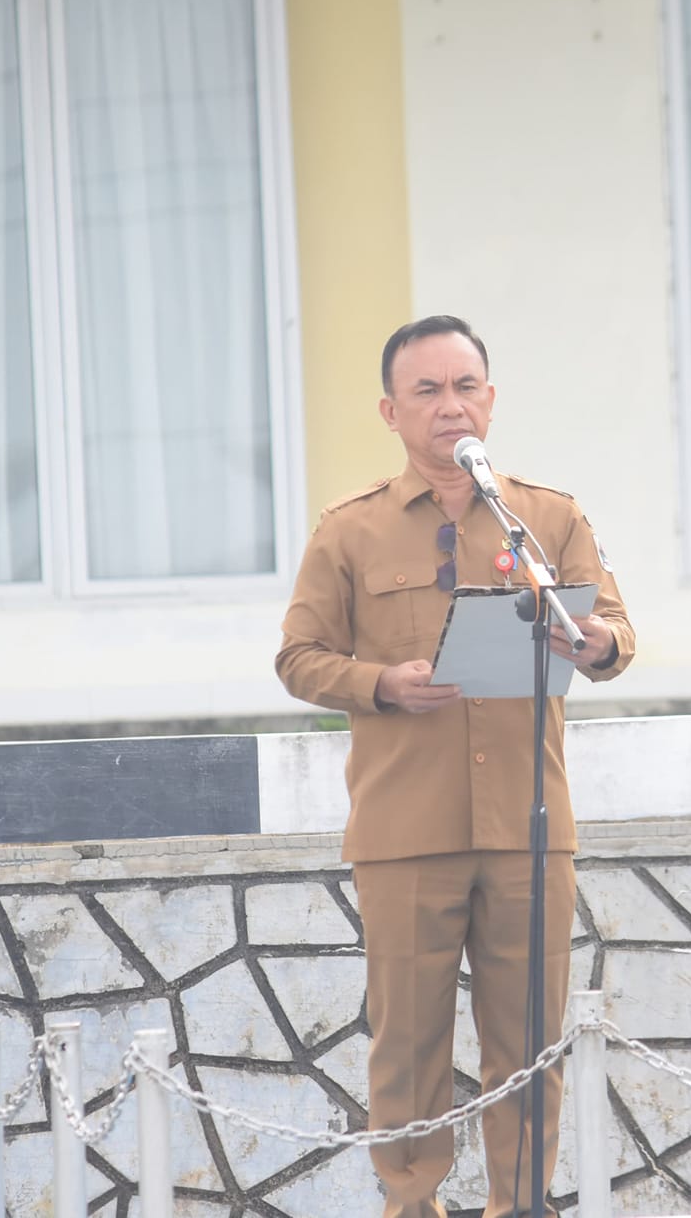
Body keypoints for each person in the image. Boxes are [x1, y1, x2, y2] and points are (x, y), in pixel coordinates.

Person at [276, 315, 635, 1218]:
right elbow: (298, 656)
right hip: (407, 831)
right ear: (391, 410)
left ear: (491, 398)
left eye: (465, 386)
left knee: (529, 1035)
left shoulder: (547, 517)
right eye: (428, 391)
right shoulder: (350, 528)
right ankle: (413, 1204)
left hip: (527, 824)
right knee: (409, 1043)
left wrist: (593, 639)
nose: (450, 405)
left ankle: (519, 1204)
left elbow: (617, 636)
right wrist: (380, 683)